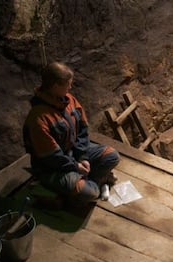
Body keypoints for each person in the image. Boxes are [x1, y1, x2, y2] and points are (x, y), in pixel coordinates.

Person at [23, 62, 120, 207]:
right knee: (89, 193)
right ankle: (93, 185)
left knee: (112, 155)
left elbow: (82, 128)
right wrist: (76, 166)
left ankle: (89, 181)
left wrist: (82, 157)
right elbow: (52, 157)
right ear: (56, 86)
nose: (70, 87)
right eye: (68, 84)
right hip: (53, 167)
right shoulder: (38, 118)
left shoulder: (68, 100)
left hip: (73, 154)